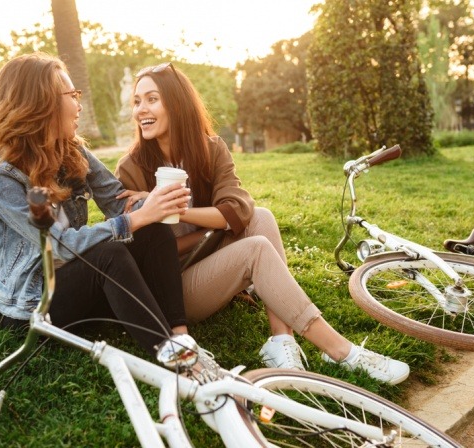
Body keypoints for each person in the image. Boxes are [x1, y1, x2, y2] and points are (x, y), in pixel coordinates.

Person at [115, 62, 410, 385]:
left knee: (261, 217)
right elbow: (139, 254)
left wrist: (179, 211)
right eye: (137, 101)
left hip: (207, 255)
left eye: (151, 99)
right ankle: (342, 351)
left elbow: (239, 208)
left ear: (177, 103)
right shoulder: (131, 168)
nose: (141, 109)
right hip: (173, 288)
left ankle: (281, 341)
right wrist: (206, 225)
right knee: (254, 248)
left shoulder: (210, 149)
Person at [0, 53, 220, 375]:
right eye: (72, 96)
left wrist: (153, 202)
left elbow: (118, 201)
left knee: (153, 230)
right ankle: (178, 363)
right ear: (42, 102)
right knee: (109, 253)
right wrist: (136, 218)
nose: (79, 105)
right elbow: (59, 245)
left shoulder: (70, 149)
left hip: (78, 283)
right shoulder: (1, 175)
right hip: (33, 304)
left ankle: (181, 337)